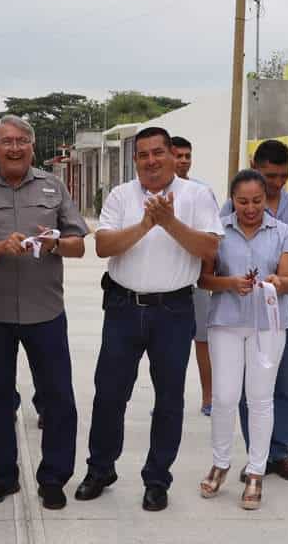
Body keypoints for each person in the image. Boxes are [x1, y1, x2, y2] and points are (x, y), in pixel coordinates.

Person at [76, 126, 221, 512]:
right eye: (143, 155)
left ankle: (157, 479)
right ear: (135, 160)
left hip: (173, 311)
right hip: (123, 308)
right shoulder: (122, 196)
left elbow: (209, 248)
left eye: (159, 153)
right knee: (109, 394)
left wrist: (169, 222)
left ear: (173, 155)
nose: (152, 161)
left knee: (169, 398)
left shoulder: (197, 195)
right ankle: (100, 468)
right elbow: (103, 245)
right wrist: (146, 223)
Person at [0, 115, 89, 511]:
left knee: (59, 398)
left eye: (21, 141)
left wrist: (54, 244)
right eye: (5, 141)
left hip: (45, 310)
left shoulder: (54, 185)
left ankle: (53, 478)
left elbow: (79, 243)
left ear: (32, 147)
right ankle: (3, 477)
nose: (14, 148)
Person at [198, 169, 288, 510]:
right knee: (224, 397)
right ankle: (220, 462)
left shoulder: (282, 231)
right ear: (232, 200)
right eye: (243, 201)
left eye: (257, 200)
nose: (250, 208)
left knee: (260, 398)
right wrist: (231, 283)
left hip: (268, 325)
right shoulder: (218, 231)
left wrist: (276, 283)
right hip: (225, 322)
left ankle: (255, 470)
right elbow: (204, 279)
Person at [227, 140, 288, 483]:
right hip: (242, 314)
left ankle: (281, 453)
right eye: (270, 175)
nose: (276, 183)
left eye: (283, 176)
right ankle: (258, 454)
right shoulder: (235, 206)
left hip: (286, 311)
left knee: (284, 385)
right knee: (247, 388)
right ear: (254, 165)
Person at [171, 136, 216, 417]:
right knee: (170, 347)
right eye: (179, 155)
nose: (184, 160)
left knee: (203, 340)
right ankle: (168, 399)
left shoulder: (203, 191)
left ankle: (208, 397)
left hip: (197, 278)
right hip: (169, 279)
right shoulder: (156, 193)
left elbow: (212, 236)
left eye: (188, 155)